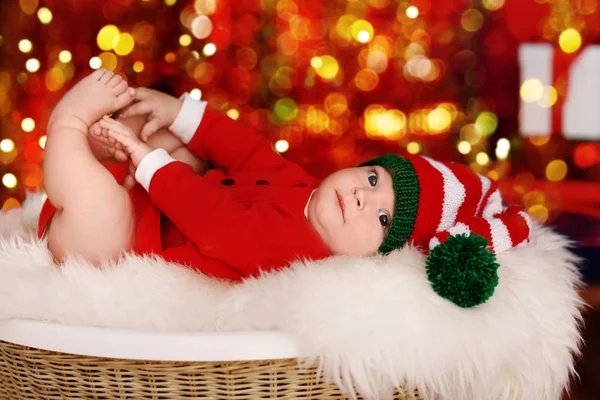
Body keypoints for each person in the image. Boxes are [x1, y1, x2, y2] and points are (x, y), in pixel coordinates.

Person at [40, 69, 532, 308]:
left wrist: (150, 163)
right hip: (149, 200)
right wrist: (182, 113)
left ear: (378, 256)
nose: (363, 197)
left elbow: (218, 226)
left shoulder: (301, 250)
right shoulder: (313, 190)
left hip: (118, 244)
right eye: (374, 179)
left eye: (383, 219)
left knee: (104, 208)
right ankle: (111, 159)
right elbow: (252, 153)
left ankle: (68, 124)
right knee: (174, 141)